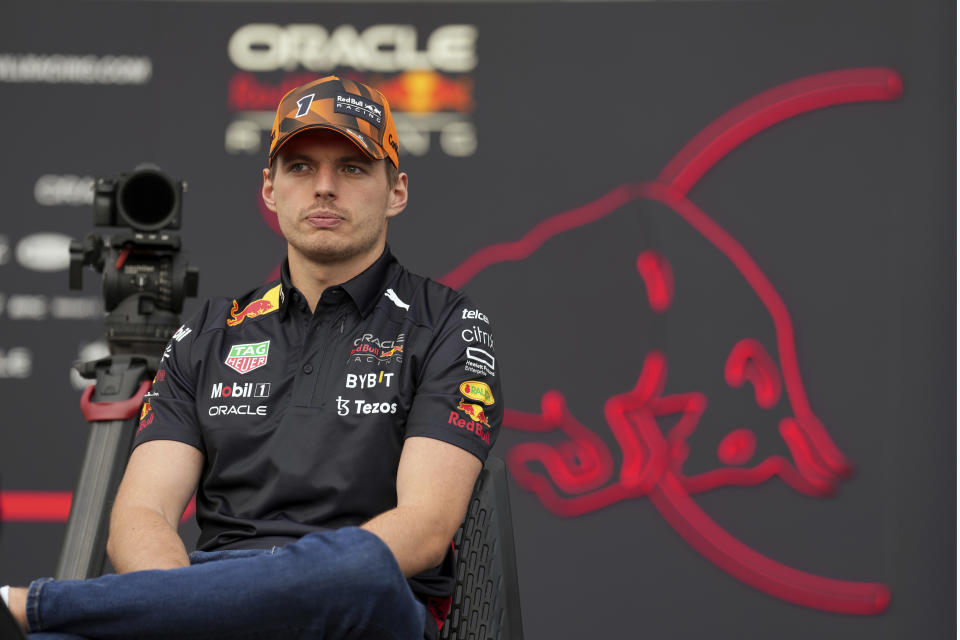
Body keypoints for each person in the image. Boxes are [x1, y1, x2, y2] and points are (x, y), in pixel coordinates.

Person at [2, 75, 501, 639]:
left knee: (362, 565)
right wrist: (192, 609)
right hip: (212, 600)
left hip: (359, 607)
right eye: (301, 167)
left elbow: (425, 530)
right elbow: (141, 518)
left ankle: (36, 604)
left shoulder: (447, 324)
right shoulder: (206, 334)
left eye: (353, 168)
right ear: (270, 189)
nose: (324, 188)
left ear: (397, 191)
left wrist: (195, 604)